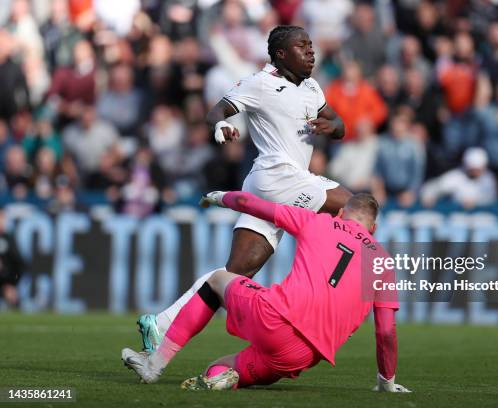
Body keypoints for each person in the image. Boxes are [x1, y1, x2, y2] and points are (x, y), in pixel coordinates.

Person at [136, 25, 351, 352]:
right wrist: (221, 124)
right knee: (354, 207)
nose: (311, 51)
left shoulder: (312, 87)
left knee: (235, 275)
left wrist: (330, 126)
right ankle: (336, 302)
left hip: (269, 187)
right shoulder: (260, 83)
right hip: (278, 175)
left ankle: (161, 324)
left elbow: (340, 127)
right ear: (281, 54)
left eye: (311, 46)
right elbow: (216, 111)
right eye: (302, 46)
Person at [122, 190, 408, 393]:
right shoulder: (382, 261)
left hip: (276, 318)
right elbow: (385, 332)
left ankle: (154, 363)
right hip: (304, 355)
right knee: (220, 367)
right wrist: (386, 382)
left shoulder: (319, 221)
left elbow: (250, 202)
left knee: (217, 279)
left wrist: (218, 197)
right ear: (374, 229)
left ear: (342, 213)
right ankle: (221, 378)